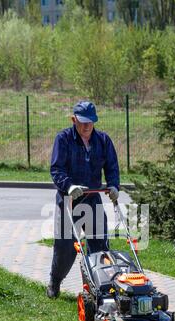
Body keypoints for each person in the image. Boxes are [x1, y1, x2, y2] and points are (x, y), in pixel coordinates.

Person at [47, 100, 120, 298]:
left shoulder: (103, 140)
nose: (87, 126)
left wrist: (113, 185)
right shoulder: (63, 139)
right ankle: (54, 282)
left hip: (92, 199)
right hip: (69, 201)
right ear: (74, 119)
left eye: (91, 121)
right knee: (65, 247)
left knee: (99, 247)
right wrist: (69, 186)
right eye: (82, 121)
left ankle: (97, 289)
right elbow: (56, 169)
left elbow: (112, 167)